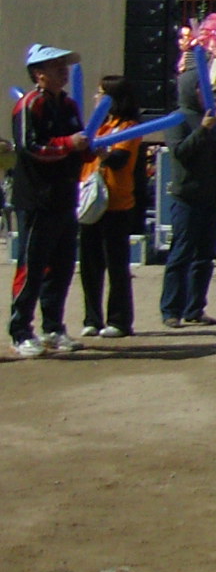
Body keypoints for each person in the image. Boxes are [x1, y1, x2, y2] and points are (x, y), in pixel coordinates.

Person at [11, 43, 89, 356]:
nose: (63, 70)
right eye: (55, 66)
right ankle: (20, 331)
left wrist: (89, 149)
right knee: (32, 266)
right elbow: (31, 146)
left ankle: (53, 328)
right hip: (36, 197)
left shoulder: (69, 105)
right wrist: (69, 143)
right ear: (38, 74)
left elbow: (80, 142)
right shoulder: (30, 105)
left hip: (64, 195)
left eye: (64, 65)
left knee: (62, 265)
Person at [161, 87, 216, 329]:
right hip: (187, 197)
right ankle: (171, 310)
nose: (205, 92)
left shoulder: (212, 117)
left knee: (205, 257)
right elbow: (180, 152)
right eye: (200, 88)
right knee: (181, 255)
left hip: (214, 195)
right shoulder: (177, 119)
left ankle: (195, 308)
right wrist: (202, 130)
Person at [78, 75, 143, 339]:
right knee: (89, 265)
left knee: (116, 265)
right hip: (90, 202)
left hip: (116, 204)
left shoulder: (129, 127)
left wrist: (103, 153)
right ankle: (92, 318)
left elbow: (119, 159)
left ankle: (119, 320)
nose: (96, 98)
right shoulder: (98, 127)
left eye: (101, 93)